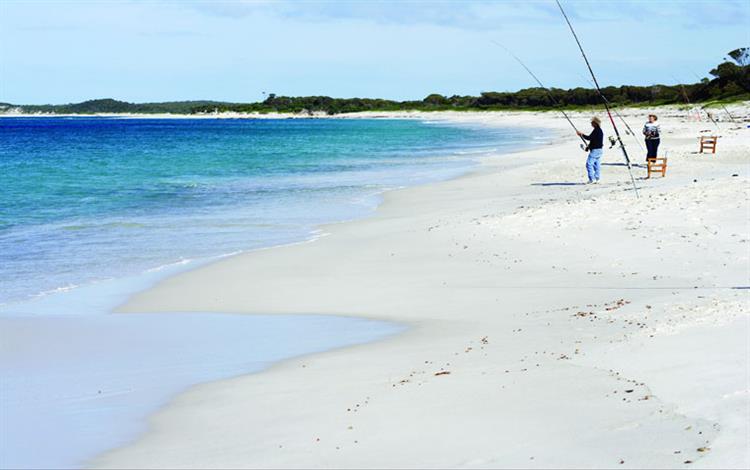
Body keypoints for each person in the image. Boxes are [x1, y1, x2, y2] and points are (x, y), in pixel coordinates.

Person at [577, 117, 603, 184]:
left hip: (595, 151)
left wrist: (581, 134)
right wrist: (588, 147)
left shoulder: (596, 130)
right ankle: (597, 178)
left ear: (595, 123)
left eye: (592, 123)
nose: (591, 124)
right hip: (599, 150)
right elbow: (594, 141)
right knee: (596, 165)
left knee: (589, 164)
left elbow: (589, 138)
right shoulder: (599, 130)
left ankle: (592, 179)